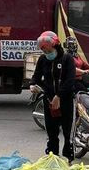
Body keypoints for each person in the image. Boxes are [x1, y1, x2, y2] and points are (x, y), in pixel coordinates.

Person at [30, 31, 76, 161]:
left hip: (66, 100)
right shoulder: (43, 59)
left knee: (68, 133)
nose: (44, 51)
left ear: (54, 44)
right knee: (51, 132)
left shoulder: (67, 59)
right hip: (49, 101)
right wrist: (33, 85)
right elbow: (36, 77)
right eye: (42, 49)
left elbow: (70, 80)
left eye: (46, 48)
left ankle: (68, 158)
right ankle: (53, 158)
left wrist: (59, 96)